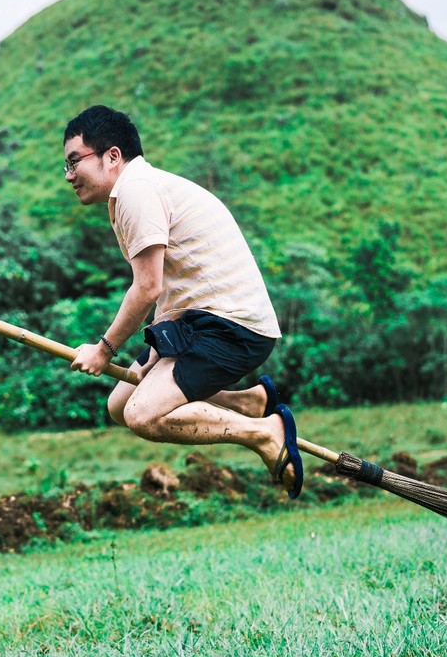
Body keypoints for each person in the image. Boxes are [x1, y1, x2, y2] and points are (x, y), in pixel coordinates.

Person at [64, 105, 303, 497]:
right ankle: (248, 402)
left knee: (143, 415)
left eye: (75, 162)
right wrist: (155, 355)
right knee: (119, 403)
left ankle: (264, 432)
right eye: (66, 166)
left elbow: (147, 288)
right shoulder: (138, 190)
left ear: (112, 156)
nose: (70, 176)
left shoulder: (136, 191)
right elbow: (173, 290)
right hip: (198, 321)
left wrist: (104, 350)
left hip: (232, 326)